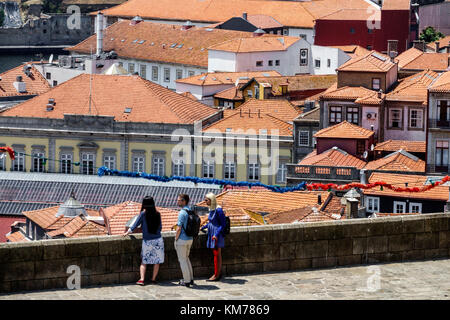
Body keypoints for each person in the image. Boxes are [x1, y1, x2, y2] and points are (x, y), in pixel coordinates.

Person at [123, 196, 163, 286]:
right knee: (157, 261)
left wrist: (127, 232)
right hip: (158, 239)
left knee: (144, 261)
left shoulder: (143, 214)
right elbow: (160, 227)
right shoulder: (157, 213)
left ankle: (142, 279)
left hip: (147, 240)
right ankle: (153, 279)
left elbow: (135, 225)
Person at [201, 192, 227, 281]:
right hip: (212, 233)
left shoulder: (218, 210)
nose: (205, 201)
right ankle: (217, 273)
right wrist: (203, 227)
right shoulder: (212, 209)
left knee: (216, 254)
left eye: (206, 200)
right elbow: (211, 223)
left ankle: (216, 275)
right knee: (216, 254)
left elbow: (223, 224)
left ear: (211, 200)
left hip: (216, 235)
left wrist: (216, 234)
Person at [175, 193, 194, 287]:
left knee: (182, 260)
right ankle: (191, 278)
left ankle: (186, 281)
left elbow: (179, 228)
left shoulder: (182, 212)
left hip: (182, 239)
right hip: (190, 238)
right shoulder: (190, 210)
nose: (177, 201)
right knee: (186, 258)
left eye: (179, 200)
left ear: (184, 201)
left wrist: (176, 239)